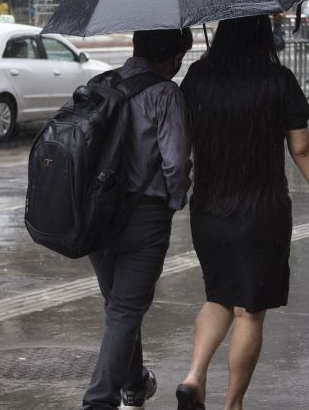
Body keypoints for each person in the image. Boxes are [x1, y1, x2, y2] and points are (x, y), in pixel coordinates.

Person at [178, 15, 309, 410]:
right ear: (263, 33)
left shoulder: (198, 78)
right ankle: (232, 405)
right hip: (263, 213)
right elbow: (302, 149)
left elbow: (180, 143)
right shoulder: (278, 79)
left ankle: (194, 376)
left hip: (209, 210)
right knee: (249, 312)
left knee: (218, 296)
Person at [83, 29, 194, 410]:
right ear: (175, 57)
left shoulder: (99, 85)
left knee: (118, 305)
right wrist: (174, 202)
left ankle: (134, 384)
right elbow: (176, 163)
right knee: (126, 310)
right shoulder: (166, 94)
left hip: (96, 215)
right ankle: (99, 400)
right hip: (145, 217)